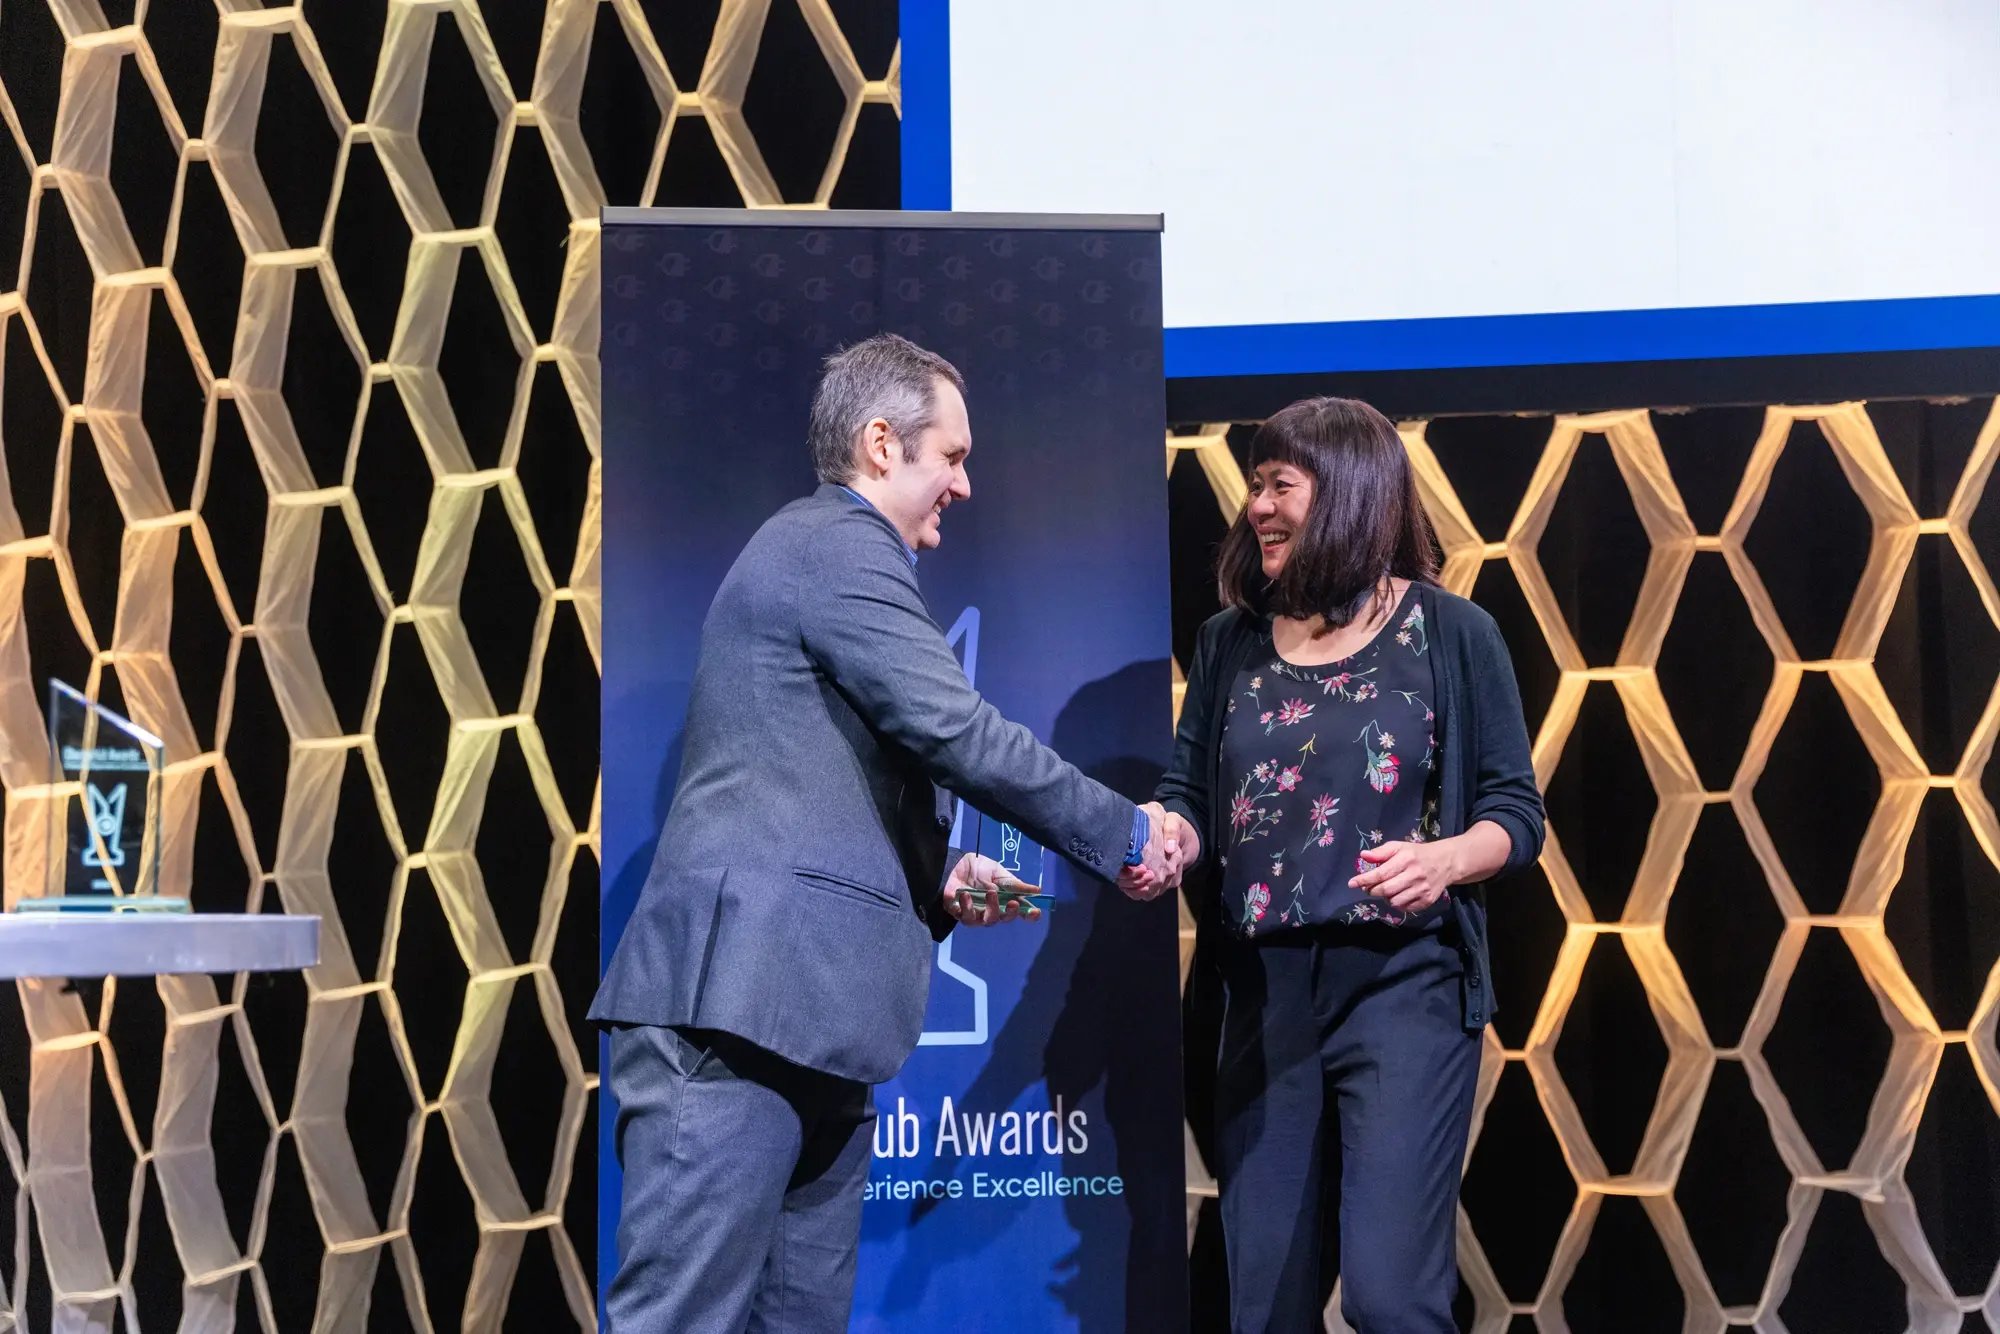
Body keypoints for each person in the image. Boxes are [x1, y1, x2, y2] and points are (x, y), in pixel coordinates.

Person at [589, 333, 1179, 1333]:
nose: (965, 482)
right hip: (737, 1018)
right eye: (950, 455)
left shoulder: (832, 560)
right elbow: (953, 730)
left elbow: (812, 781)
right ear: (879, 445)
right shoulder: (834, 547)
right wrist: (1125, 831)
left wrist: (936, 873)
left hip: (812, 1028)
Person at [1154, 397, 1543, 1333]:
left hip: (1406, 985)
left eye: (1280, 484)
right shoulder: (1228, 644)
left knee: (1389, 1296)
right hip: (1265, 992)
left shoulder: (1452, 633)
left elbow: (1516, 816)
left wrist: (1446, 859)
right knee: (1265, 1305)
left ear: (1349, 497)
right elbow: (1191, 796)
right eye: (1256, 485)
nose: (1258, 507)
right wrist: (1169, 835)